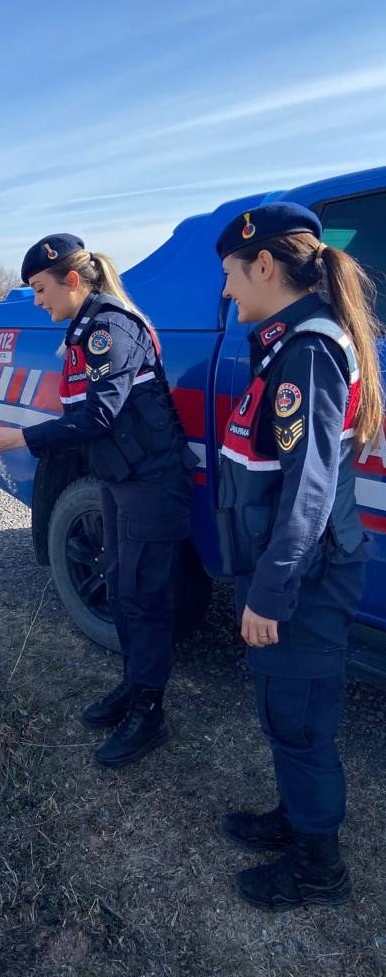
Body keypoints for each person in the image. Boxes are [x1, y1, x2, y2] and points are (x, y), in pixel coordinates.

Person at [215, 202, 383, 910]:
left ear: (263, 264)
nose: (226, 292)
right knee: (283, 708)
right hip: (291, 569)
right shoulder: (290, 343)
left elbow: (308, 493)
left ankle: (320, 868)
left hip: (305, 579)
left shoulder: (307, 350)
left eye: (230, 274)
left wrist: (270, 594)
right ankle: (294, 819)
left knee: (302, 720)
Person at [0, 234, 196, 768]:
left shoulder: (110, 329)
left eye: (40, 289)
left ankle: (150, 713)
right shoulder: (86, 328)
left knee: (145, 597)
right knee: (122, 588)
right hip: (119, 477)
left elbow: (100, 416)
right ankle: (135, 685)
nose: (37, 301)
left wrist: (22, 438)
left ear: (73, 280)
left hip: (150, 482)